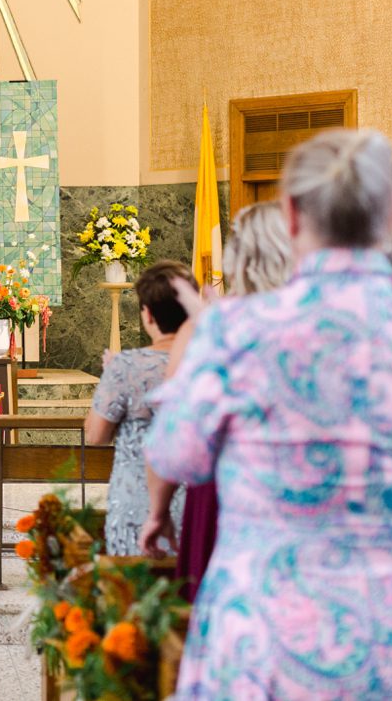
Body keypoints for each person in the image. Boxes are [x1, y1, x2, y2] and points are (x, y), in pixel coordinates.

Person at [144, 130, 392, 697]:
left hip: (272, 637)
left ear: (292, 214)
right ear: (389, 212)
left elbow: (175, 453)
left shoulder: (236, 331)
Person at [140, 201, 294, 599]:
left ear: (237, 260)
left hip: (228, 492)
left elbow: (176, 429)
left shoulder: (213, 325)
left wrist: (159, 509)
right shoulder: (321, 319)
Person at [84, 260, 193, 556]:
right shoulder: (209, 362)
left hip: (136, 503)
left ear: (147, 315)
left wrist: (112, 377)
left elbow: (95, 435)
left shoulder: (126, 366)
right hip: (195, 506)